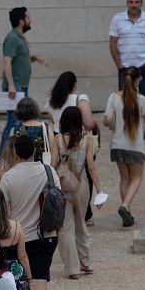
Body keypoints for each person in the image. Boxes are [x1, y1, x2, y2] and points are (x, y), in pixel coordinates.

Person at [0, 134, 60, 290]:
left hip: (18, 236)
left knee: (23, 281)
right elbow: (58, 200)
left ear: (15, 152)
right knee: (41, 280)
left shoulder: (8, 178)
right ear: (34, 150)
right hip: (46, 234)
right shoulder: (48, 171)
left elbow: (5, 212)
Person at [104, 66, 145, 228]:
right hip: (134, 145)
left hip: (117, 144)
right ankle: (125, 205)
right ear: (138, 80)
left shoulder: (113, 97)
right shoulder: (141, 100)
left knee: (125, 179)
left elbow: (107, 119)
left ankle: (127, 212)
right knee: (136, 178)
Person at [52, 106, 102, 278]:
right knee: (81, 223)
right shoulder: (87, 140)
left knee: (65, 227)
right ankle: (85, 262)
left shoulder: (57, 139)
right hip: (81, 185)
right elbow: (91, 167)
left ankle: (72, 268)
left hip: (63, 184)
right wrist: (99, 190)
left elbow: (52, 165)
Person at [46, 71, 98, 223]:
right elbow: (88, 123)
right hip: (76, 136)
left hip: (58, 137)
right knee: (83, 172)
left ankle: (63, 205)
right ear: (74, 84)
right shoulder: (80, 99)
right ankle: (84, 212)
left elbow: (51, 120)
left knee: (60, 171)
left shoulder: (51, 101)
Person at [109, 0, 145, 139]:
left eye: (137, 2)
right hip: (124, 66)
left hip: (144, 66)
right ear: (127, 3)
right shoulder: (117, 19)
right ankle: (125, 127)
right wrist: (118, 64)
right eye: (131, 2)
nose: (134, 5)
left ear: (141, 3)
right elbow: (112, 42)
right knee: (124, 97)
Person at [1, 7, 48, 154]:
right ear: (21, 21)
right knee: (13, 122)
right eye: (28, 18)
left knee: (20, 122)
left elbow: (20, 60)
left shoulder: (20, 38)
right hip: (15, 88)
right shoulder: (12, 38)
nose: (30, 20)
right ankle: (3, 157)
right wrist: (11, 85)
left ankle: (17, 155)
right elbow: (7, 62)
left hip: (21, 87)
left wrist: (34, 58)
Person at [14, 97, 58, 164]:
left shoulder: (16, 129)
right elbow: (53, 150)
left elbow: (11, 152)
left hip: (21, 166)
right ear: (36, 110)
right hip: (41, 166)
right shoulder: (46, 128)